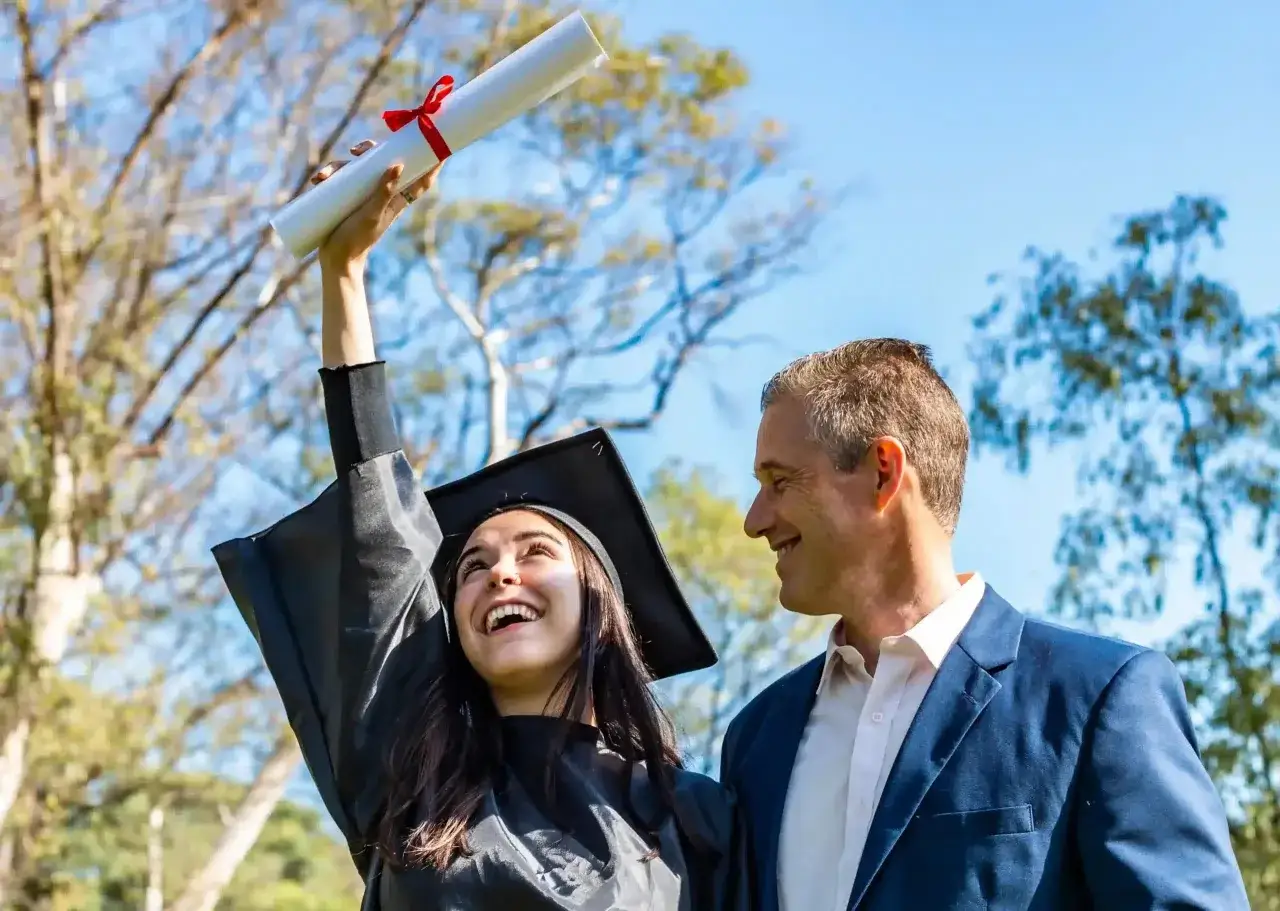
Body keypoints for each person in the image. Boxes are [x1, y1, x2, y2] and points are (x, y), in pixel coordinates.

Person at [212, 141, 752, 911]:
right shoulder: (413, 770)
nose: (499, 570)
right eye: (472, 565)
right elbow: (378, 517)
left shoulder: (694, 817)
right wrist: (345, 274)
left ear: (602, 604)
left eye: (536, 552)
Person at [718, 338, 1250, 910]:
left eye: (780, 482)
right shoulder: (755, 740)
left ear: (883, 472)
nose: (755, 520)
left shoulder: (1100, 697)